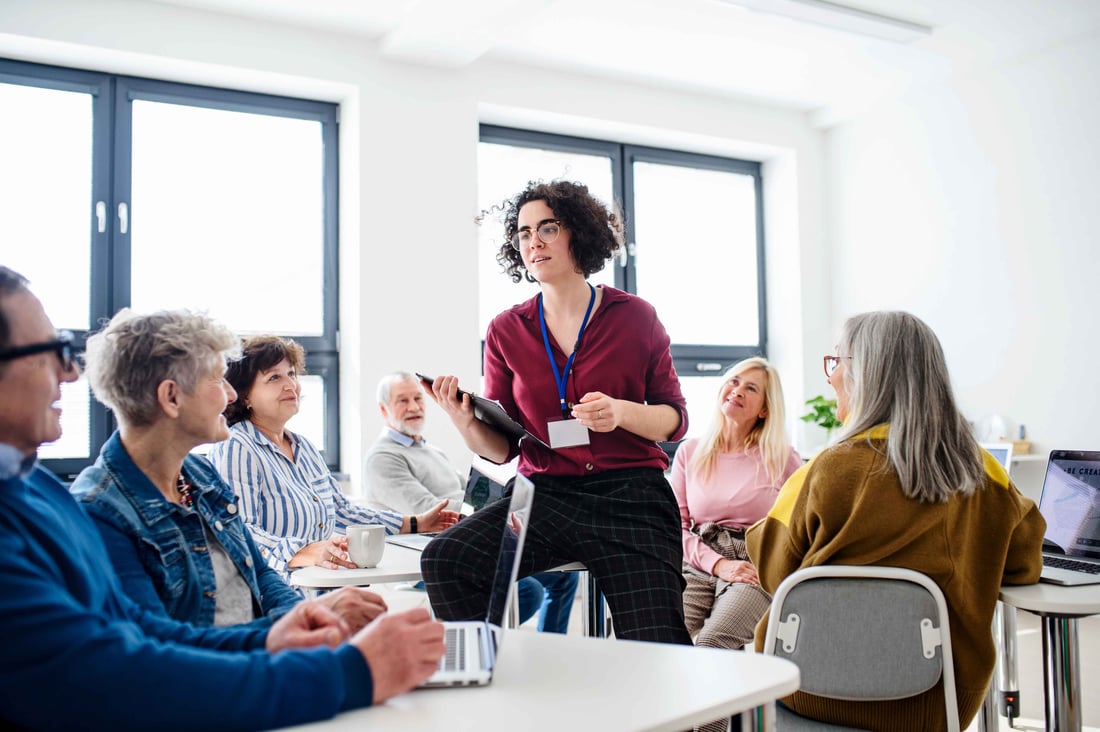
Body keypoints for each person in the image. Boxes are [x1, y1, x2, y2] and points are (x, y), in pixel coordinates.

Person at [0, 266, 445, 730]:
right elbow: (129, 671)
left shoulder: (45, 488)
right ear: (171, 398)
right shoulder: (96, 507)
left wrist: (286, 629)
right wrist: (351, 670)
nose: (70, 373)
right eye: (48, 352)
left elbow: (138, 628)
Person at [421, 180, 692, 645]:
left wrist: (622, 413)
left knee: (659, 644)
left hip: (629, 496)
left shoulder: (635, 317)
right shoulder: (506, 330)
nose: (534, 242)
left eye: (548, 227)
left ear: (580, 234)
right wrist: (464, 421)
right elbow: (504, 447)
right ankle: (487, 683)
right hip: (545, 497)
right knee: (446, 560)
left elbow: (674, 418)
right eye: (524, 233)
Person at [746, 311, 1046, 730]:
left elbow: (775, 572)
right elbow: (1025, 564)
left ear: (865, 374)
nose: (830, 377)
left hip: (807, 689)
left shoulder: (822, 471)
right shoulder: (981, 473)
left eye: (837, 363)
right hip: (937, 702)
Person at [70, 308, 383, 632]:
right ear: (171, 396)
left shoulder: (200, 477)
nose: (232, 394)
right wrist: (286, 633)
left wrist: (313, 617)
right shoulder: (101, 512)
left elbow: (259, 573)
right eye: (219, 380)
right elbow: (159, 647)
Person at [207, 336, 459, 581]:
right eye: (274, 377)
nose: (290, 385)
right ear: (245, 395)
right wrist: (304, 551)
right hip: (270, 595)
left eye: (292, 374)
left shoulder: (302, 447)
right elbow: (241, 531)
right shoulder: (236, 446)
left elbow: (342, 512)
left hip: (317, 588)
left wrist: (417, 523)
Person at [366, 371, 578, 633]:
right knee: (529, 590)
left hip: (466, 529)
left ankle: (549, 646)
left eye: (418, 398)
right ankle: (479, 645)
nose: (414, 407)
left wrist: (497, 501)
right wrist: (491, 509)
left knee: (564, 576)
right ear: (384, 409)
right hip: (430, 549)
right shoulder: (383, 458)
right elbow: (429, 512)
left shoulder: (432, 450)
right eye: (402, 401)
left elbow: (468, 493)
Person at [672, 357, 801, 651]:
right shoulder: (689, 452)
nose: (738, 390)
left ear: (765, 409)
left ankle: (729, 698)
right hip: (698, 558)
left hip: (755, 564)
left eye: (751, 388)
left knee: (711, 643)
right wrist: (718, 564)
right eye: (734, 381)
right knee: (660, 637)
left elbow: (797, 529)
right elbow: (674, 529)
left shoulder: (783, 457)